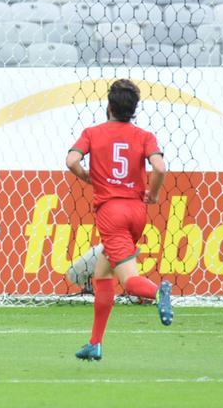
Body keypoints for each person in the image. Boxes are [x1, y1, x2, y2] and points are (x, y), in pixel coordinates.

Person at [65, 79, 173, 362]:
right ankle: (95, 343)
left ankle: (157, 292)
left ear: (109, 107)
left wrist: (88, 177)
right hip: (137, 211)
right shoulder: (144, 135)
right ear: (133, 110)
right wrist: (155, 193)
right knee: (102, 275)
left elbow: (71, 161)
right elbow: (159, 166)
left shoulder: (92, 132)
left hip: (110, 213)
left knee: (129, 279)